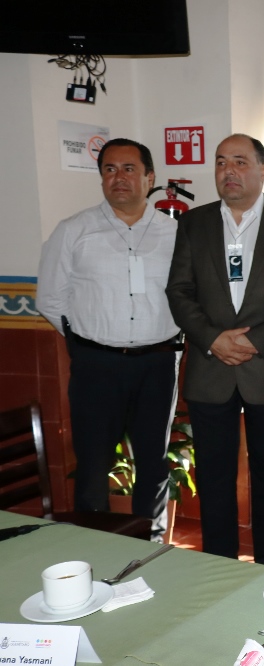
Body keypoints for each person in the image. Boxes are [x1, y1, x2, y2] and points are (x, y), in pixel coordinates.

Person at [166, 134, 264, 565]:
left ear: (263, 170)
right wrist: (212, 339)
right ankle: (218, 565)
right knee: (214, 477)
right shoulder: (193, 224)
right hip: (210, 369)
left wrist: (255, 339)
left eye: (240, 162)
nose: (228, 171)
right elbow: (178, 292)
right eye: (220, 162)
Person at [37, 138, 182, 542]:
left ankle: (150, 546)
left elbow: (189, 295)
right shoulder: (73, 230)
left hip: (157, 364)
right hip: (96, 366)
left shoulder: (176, 233)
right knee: (92, 466)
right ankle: (94, 549)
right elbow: (49, 299)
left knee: (153, 463)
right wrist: (90, 338)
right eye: (109, 170)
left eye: (129, 169)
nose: (119, 177)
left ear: (149, 178)